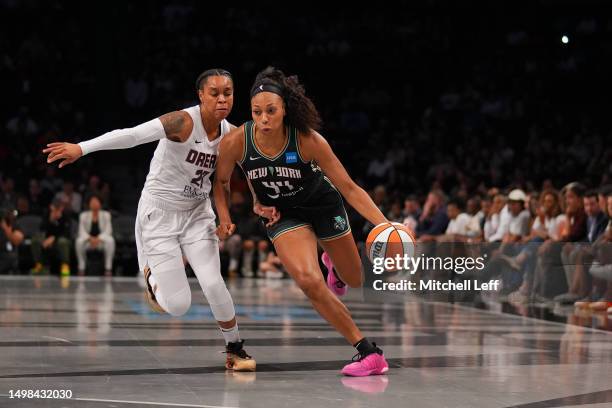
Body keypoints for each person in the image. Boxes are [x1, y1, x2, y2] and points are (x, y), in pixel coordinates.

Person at [42, 68, 255, 371]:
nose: (222, 99)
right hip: (160, 213)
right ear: (200, 95)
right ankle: (151, 277)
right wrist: (82, 148)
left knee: (213, 283)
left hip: (196, 212)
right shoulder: (182, 121)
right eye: (215, 93)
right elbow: (132, 135)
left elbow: (226, 180)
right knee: (179, 306)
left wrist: (232, 213)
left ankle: (234, 347)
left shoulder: (231, 134)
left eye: (228, 93)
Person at [214, 67, 390, 377]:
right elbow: (222, 181)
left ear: (285, 109)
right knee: (309, 282)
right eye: (257, 112)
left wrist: (385, 224)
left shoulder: (308, 140)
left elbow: (349, 187)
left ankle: (332, 260)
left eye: (271, 111)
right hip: (285, 215)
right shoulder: (237, 141)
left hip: (323, 206)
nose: (264, 119)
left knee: (354, 279)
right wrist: (230, 214)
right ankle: (369, 352)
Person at [75, 195, 115, 276]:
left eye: (96, 201)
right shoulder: (83, 215)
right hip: (88, 242)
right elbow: (81, 231)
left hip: (101, 242)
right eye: (92, 202)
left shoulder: (106, 215)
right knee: (78, 241)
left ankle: (108, 268)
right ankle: (81, 267)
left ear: (100, 204)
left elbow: (108, 230)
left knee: (110, 240)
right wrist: (90, 238)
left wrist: (98, 238)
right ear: (89, 204)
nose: (94, 203)